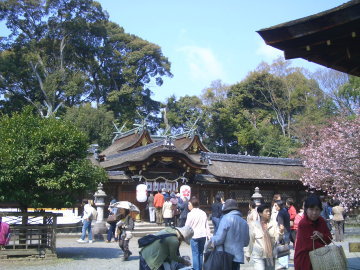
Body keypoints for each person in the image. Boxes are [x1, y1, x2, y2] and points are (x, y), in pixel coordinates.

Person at [294, 195, 332, 270]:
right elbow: (309, 245)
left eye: (317, 209)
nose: (314, 213)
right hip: (304, 259)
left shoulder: (321, 221)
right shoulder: (303, 223)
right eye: (311, 209)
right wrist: (321, 239)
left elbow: (329, 239)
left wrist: (321, 235)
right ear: (306, 210)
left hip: (319, 259)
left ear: (320, 210)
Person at [211, 199, 250, 270]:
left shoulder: (225, 219)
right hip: (238, 256)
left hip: (226, 255)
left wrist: (211, 241)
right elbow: (246, 242)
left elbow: (219, 239)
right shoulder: (244, 222)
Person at [246, 203, 284, 270]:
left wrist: (281, 232)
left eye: (269, 211)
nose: (269, 213)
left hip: (270, 255)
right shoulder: (254, 225)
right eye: (266, 211)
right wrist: (248, 253)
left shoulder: (274, 224)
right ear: (260, 213)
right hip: (258, 255)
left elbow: (278, 239)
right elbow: (251, 240)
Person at [185, 197, 211, 270]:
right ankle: (199, 268)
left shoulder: (190, 214)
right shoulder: (203, 213)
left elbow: (187, 226)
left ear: (193, 204)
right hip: (203, 235)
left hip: (194, 236)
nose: (188, 205)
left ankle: (196, 268)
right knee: (200, 253)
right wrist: (209, 236)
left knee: (195, 254)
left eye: (189, 204)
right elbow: (207, 225)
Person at [274, 200, 290, 269]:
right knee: (285, 247)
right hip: (287, 232)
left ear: (279, 205)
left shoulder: (280, 213)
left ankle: (283, 264)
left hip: (283, 232)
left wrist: (280, 234)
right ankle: (285, 264)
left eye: (276, 205)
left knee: (282, 247)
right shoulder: (285, 210)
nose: (275, 207)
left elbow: (281, 226)